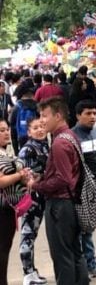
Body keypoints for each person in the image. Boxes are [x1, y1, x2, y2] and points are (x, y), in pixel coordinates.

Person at [30, 97, 89, 285]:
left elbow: (64, 179)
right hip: (70, 203)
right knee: (75, 252)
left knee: (62, 256)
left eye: (44, 115)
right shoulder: (69, 136)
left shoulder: (59, 143)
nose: (41, 120)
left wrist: (37, 185)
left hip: (60, 205)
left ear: (58, 115)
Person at [70, 101, 96, 278]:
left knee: (90, 227)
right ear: (78, 115)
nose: (93, 116)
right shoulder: (72, 136)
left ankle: (89, 263)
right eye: (88, 113)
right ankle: (88, 264)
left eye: (95, 113)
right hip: (81, 190)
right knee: (83, 229)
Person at [18, 117, 49, 285]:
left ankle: (32, 270)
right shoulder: (27, 150)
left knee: (32, 234)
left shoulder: (44, 146)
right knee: (27, 235)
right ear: (29, 132)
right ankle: (27, 274)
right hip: (31, 199)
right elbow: (24, 175)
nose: (40, 130)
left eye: (42, 126)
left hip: (41, 198)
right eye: (35, 127)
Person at [0, 120, 32, 285]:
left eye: (7, 129)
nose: (6, 133)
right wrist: (19, 176)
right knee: (2, 250)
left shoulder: (6, 152)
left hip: (9, 210)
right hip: (2, 210)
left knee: (5, 248)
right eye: (1, 130)